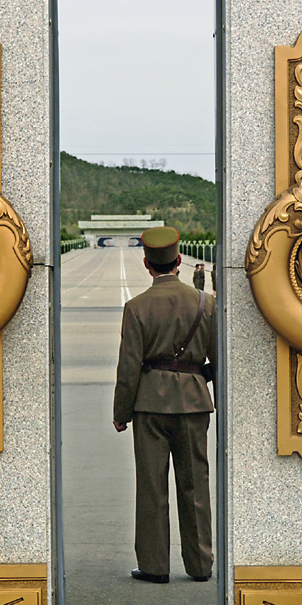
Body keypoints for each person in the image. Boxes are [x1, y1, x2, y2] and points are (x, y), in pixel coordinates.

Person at [113, 226, 216, 584]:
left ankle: (156, 566)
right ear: (180, 260)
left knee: (152, 487)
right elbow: (218, 359)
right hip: (193, 403)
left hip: (150, 406)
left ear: (146, 264)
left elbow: (128, 366)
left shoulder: (136, 307)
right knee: (195, 485)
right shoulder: (206, 303)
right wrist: (195, 378)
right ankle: (201, 564)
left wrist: (121, 413)